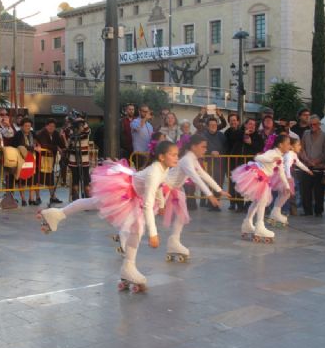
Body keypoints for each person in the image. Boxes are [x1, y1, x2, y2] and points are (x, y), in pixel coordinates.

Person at [38, 141, 179, 290]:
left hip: (132, 193)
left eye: (177, 154)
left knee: (133, 227)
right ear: (162, 157)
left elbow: (158, 187)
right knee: (97, 205)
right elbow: (148, 205)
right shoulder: (154, 172)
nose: (177, 157)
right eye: (173, 154)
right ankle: (57, 214)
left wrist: (162, 204)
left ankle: (128, 267)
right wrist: (153, 234)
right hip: (123, 191)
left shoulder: (163, 169)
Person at [164, 135, 230, 260]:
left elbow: (203, 175)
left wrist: (219, 190)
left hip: (175, 190)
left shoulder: (192, 159)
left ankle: (174, 242)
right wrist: (210, 196)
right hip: (162, 189)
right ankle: (124, 235)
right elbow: (196, 178)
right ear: (194, 147)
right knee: (144, 215)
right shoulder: (187, 160)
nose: (205, 149)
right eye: (203, 147)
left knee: (181, 216)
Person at [231, 134, 291, 241]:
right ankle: (260, 226)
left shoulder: (280, 157)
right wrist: (271, 160)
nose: (289, 146)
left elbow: (282, 173)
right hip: (258, 176)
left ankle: (247, 223)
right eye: (288, 144)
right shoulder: (272, 153)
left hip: (262, 178)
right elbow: (258, 157)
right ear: (281, 145)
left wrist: (286, 186)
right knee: (262, 202)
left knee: (256, 202)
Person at [268, 137, 313, 225]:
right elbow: (287, 166)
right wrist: (288, 178)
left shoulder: (293, 154)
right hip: (282, 176)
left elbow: (298, 163)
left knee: (284, 194)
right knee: (286, 194)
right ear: (292, 147)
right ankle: (276, 211)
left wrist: (307, 170)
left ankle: (275, 211)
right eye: (298, 145)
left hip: (283, 175)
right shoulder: (289, 154)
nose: (300, 147)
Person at [299, 115, 325, 217]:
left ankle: (318, 211)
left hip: (319, 167)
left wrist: (316, 162)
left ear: (319, 124)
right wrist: (306, 159)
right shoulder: (305, 133)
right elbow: (301, 148)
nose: (312, 126)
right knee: (305, 189)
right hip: (307, 166)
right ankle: (307, 210)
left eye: (315, 124)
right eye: (310, 124)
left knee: (319, 190)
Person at [35, 118, 66, 204]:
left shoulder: (56, 133)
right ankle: (37, 197)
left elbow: (61, 145)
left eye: (53, 126)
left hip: (50, 159)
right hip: (41, 159)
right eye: (50, 126)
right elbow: (44, 145)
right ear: (46, 126)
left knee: (50, 179)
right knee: (38, 179)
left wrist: (63, 138)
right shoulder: (41, 133)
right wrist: (56, 148)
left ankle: (53, 196)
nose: (51, 127)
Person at [11, 117, 41, 206]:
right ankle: (23, 199)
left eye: (29, 125)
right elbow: (20, 145)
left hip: (32, 158)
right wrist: (33, 148)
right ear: (22, 126)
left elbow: (39, 141)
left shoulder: (32, 133)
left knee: (32, 179)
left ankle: (31, 199)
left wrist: (39, 145)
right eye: (26, 125)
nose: (28, 127)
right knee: (22, 179)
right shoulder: (18, 134)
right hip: (22, 159)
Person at [202, 117, 227, 211]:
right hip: (208, 163)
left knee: (219, 183)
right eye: (211, 125)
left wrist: (219, 153)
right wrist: (210, 152)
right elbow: (202, 146)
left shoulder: (221, 135)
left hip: (220, 163)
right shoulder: (203, 135)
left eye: (215, 125)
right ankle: (210, 203)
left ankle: (216, 204)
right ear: (208, 126)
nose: (213, 126)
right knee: (209, 183)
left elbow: (226, 147)